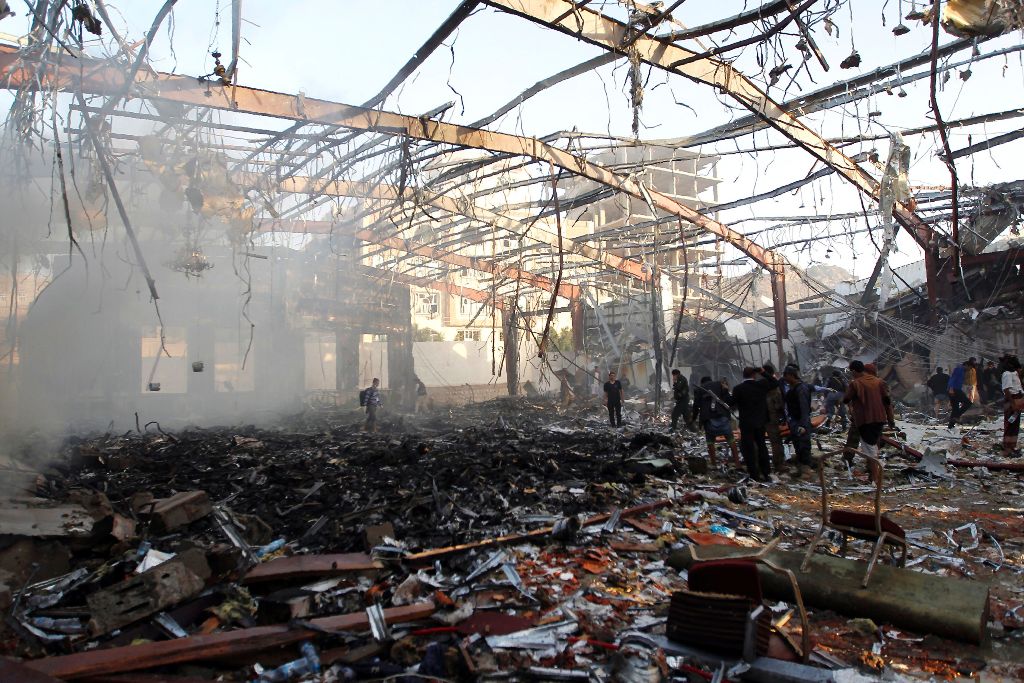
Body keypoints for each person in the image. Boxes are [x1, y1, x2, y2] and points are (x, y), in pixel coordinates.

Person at [844, 360, 894, 460]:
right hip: (879, 418)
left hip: (862, 419)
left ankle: (848, 461)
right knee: (874, 443)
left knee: (855, 440)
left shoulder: (856, 383)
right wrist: (890, 420)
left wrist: (851, 411)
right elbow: (887, 404)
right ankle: (873, 464)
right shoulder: (880, 382)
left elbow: (846, 399)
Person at [731, 366, 771, 481]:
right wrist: (763, 372)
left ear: (743, 375)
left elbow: (731, 403)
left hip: (746, 423)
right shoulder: (761, 385)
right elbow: (774, 382)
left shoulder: (738, 389)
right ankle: (766, 472)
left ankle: (754, 474)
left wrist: (724, 390)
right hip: (761, 421)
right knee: (762, 446)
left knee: (749, 449)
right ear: (754, 375)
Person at [692, 376, 740, 467]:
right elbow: (728, 399)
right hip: (723, 416)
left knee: (710, 441)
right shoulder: (719, 384)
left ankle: (714, 463)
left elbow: (696, 406)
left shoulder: (699, 389)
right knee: (731, 440)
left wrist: (693, 419)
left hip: (708, 419)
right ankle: (737, 463)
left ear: (702, 382)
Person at [782, 365, 814, 478]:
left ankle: (806, 470)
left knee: (804, 445)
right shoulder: (793, 388)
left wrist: (803, 425)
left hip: (800, 421)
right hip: (794, 421)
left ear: (791, 375)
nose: (784, 378)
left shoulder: (801, 388)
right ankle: (801, 468)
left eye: (786, 376)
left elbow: (804, 408)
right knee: (797, 445)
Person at [761, 363, 786, 474]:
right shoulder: (774, 387)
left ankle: (763, 465)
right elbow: (779, 404)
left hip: (760, 418)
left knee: (760, 442)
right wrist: (783, 417)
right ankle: (779, 464)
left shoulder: (759, 385)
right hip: (772, 417)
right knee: (776, 442)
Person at [1001, 355, 1023, 457]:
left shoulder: (1014, 373)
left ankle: (1012, 447)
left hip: (1017, 399)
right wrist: (1013, 404)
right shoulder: (1007, 374)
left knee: (1015, 425)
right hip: (1011, 400)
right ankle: (1007, 449)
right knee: (1010, 424)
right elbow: (1006, 390)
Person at [947, 359, 975, 429]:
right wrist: (951, 389)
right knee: (968, 403)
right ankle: (956, 417)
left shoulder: (962, 370)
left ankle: (950, 426)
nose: (969, 369)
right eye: (970, 367)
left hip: (954, 389)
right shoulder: (959, 369)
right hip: (954, 389)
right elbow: (953, 378)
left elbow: (958, 380)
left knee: (955, 408)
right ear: (966, 365)